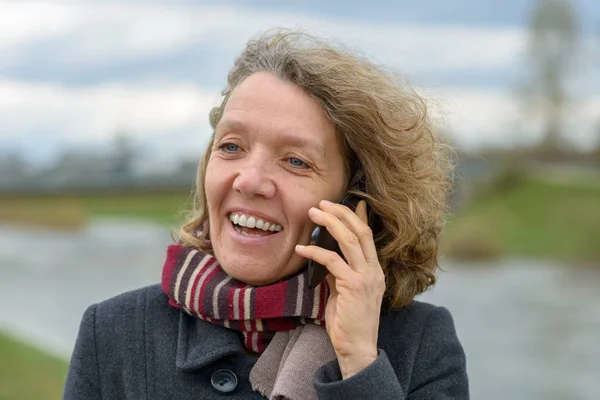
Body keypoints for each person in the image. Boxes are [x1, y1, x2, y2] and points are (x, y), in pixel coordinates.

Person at [63, 29, 468, 399]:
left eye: (295, 161)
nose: (250, 180)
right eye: (231, 147)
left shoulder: (420, 344)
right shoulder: (114, 332)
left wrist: (359, 362)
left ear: (355, 201)